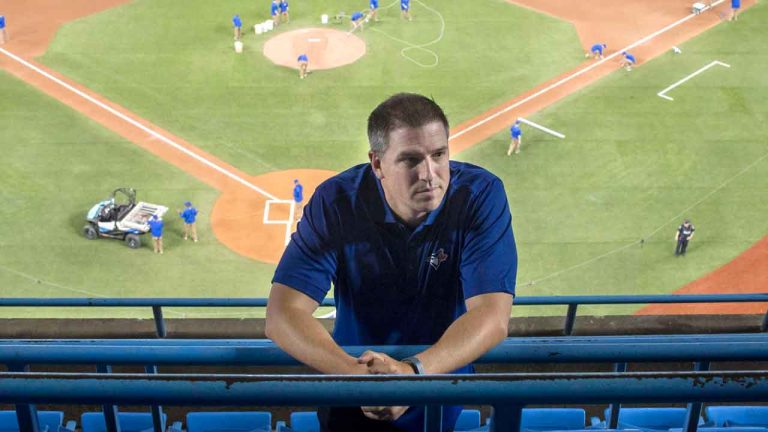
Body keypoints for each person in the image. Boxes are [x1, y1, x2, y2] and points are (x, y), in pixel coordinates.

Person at [266, 93, 517, 432]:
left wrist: (411, 373)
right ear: (378, 163)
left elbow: (493, 315)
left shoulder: (480, 195)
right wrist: (361, 378)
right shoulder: (336, 201)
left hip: (434, 384)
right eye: (411, 160)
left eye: (439, 154)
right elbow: (283, 314)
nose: (430, 174)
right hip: (352, 384)